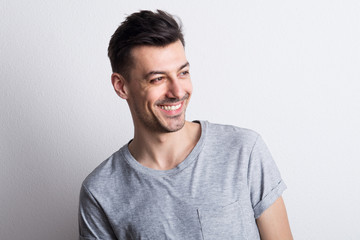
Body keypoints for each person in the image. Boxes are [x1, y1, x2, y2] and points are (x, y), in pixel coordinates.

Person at [78, 10, 293, 240]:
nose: (178, 91)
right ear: (122, 86)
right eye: (158, 79)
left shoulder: (244, 151)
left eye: (183, 73)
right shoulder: (100, 191)